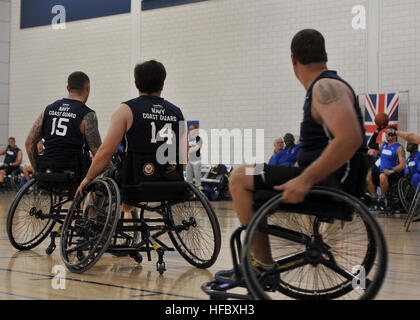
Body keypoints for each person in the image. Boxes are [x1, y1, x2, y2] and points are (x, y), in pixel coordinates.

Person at [215, 29, 367, 283]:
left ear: (293, 59)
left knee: (240, 175)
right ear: (324, 55)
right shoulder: (325, 85)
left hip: (329, 182)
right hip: (329, 178)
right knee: (253, 180)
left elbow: (350, 138)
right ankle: (260, 258)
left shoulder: (325, 87)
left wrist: (304, 179)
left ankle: (261, 263)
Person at [75, 60, 187, 199]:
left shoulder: (126, 110)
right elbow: (184, 154)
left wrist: (87, 179)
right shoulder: (177, 112)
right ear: (162, 84)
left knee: (97, 180)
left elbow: (106, 151)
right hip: (169, 181)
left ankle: (91, 219)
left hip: (134, 181)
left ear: (136, 83)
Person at [25, 71, 103, 175]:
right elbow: (98, 153)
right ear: (87, 88)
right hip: (75, 172)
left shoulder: (48, 109)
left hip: (48, 170)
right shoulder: (87, 114)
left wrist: (38, 169)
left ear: (67, 87)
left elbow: (29, 143)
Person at [367, 126, 406, 212]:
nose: (387, 135)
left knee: (382, 176)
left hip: (393, 174)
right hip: (382, 172)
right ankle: (375, 200)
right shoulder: (383, 145)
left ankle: (383, 200)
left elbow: (403, 165)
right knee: (368, 175)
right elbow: (370, 144)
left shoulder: (399, 148)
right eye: (386, 133)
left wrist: (391, 170)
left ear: (394, 135)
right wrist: (377, 130)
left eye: (389, 134)